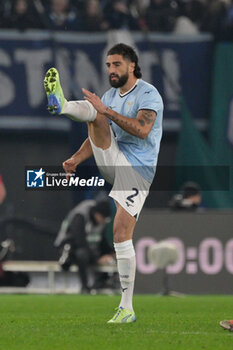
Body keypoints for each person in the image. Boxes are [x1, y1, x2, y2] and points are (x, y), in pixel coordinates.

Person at [44, 43, 163, 323]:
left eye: (117, 64)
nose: (111, 69)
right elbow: (99, 134)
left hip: (138, 171)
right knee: (95, 114)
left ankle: (126, 308)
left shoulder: (149, 94)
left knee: (120, 232)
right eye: (108, 65)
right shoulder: (111, 95)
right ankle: (61, 105)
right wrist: (75, 159)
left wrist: (106, 112)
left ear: (132, 66)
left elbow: (143, 130)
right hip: (114, 160)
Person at [54, 199, 115, 293]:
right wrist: (97, 258)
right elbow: (79, 241)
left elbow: (102, 240)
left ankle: (99, 285)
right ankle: (84, 287)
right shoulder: (80, 216)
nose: (103, 221)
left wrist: (110, 253)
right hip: (70, 246)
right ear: (97, 214)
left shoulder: (101, 221)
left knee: (111, 256)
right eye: (103, 218)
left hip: (88, 249)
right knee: (82, 254)